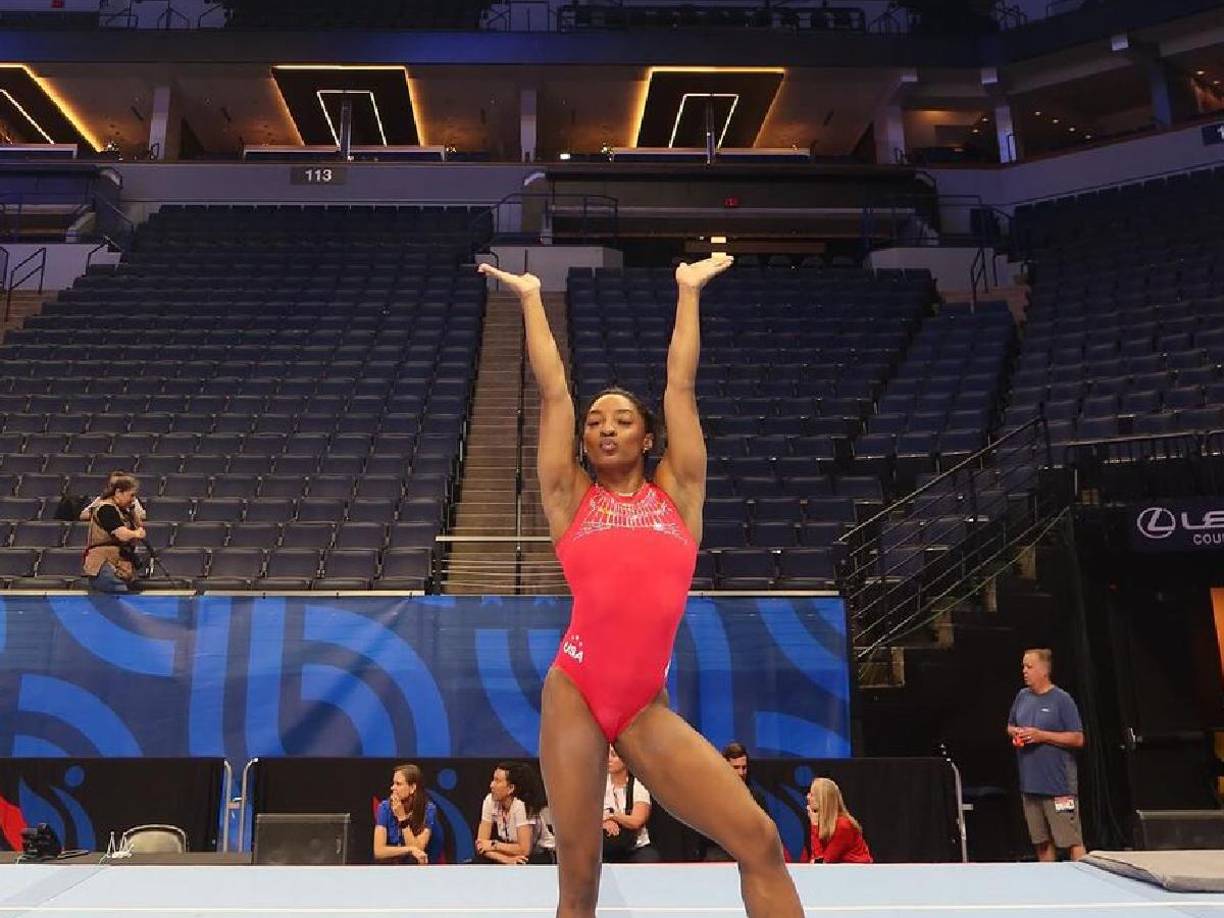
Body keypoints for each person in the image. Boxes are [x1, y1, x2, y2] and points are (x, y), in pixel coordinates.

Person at [478, 258, 802, 918]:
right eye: (597, 420)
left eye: (622, 419)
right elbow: (553, 395)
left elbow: (680, 386)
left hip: (642, 708)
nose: (604, 426)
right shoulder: (570, 498)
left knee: (761, 839)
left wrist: (686, 291)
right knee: (580, 880)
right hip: (574, 692)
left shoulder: (679, 493)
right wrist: (534, 298)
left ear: (648, 436)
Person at [1007, 648, 1086, 862]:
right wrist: (1017, 734)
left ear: (1044, 670)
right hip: (1031, 785)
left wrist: (1041, 736)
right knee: (1041, 843)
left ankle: (1083, 888)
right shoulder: (1022, 696)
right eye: (1023, 666)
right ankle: (1051, 889)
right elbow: (1010, 725)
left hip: (1058, 786)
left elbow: (1078, 739)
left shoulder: (1062, 700)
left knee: (1071, 841)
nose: (1024, 671)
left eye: (1029, 667)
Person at [699, 741, 771, 861]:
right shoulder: (710, 797)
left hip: (748, 856)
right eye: (736, 768)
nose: (741, 772)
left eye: (744, 768)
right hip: (717, 857)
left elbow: (765, 833)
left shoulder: (756, 798)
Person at [474, 761, 549, 865]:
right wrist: (505, 859)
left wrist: (493, 845)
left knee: (522, 863)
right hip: (511, 854)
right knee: (478, 861)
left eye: (497, 781)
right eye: (493, 780)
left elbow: (524, 850)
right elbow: (481, 844)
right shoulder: (490, 800)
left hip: (541, 855)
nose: (491, 785)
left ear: (511, 788)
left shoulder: (521, 805)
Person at [81, 474, 146, 593]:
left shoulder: (123, 510)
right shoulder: (106, 509)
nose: (133, 499)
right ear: (118, 492)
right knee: (117, 592)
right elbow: (122, 534)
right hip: (102, 563)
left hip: (120, 563)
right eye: (131, 495)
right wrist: (136, 533)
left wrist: (132, 511)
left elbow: (140, 530)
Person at [373, 763, 439, 865]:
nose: (392, 788)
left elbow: (419, 851)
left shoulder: (428, 809)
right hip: (390, 868)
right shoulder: (385, 807)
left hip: (416, 868)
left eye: (398, 784)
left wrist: (402, 819)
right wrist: (410, 849)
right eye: (393, 783)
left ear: (412, 788)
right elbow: (379, 851)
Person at [602, 746, 657, 863]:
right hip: (608, 847)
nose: (608, 759)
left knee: (648, 859)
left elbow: (636, 821)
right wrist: (603, 821)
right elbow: (586, 817)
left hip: (636, 847)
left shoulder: (639, 785)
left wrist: (611, 816)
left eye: (613, 755)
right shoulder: (599, 784)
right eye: (606, 755)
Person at [804, 777, 872, 864]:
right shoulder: (827, 823)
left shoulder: (843, 825)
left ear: (822, 800)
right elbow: (815, 860)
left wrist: (814, 826)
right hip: (842, 873)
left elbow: (821, 863)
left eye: (812, 794)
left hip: (857, 873)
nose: (807, 797)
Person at [81, 470, 147, 524]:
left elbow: (143, 515)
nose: (114, 488)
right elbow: (83, 515)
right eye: (112, 485)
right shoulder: (101, 499)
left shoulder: (132, 500)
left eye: (118, 485)